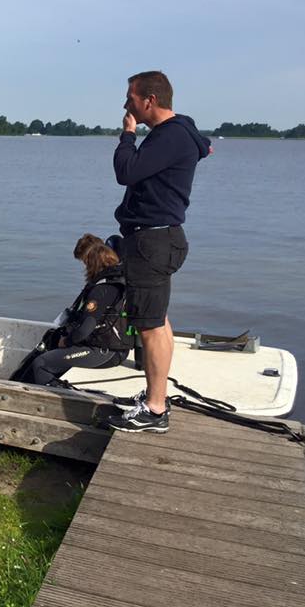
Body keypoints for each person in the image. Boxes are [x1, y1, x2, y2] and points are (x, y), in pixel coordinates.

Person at [107, 71, 211, 433]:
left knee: (150, 327)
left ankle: (154, 409)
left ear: (149, 100)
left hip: (153, 241)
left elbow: (126, 171)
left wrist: (127, 134)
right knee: (157, 321)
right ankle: (156, 397)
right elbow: (202, 141)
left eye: (130, 98)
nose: (126, 105)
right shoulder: (179, 131)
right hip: (157, 238)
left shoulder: (169, 137)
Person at [11, 235, 132, 386]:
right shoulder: (116, 282)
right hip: (105, 346)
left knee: (41, 363)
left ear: (91, 263)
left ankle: (57, 396)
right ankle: (17, 384)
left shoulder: (102, 290)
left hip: (105, 351)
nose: (85, 268)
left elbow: (84, 329)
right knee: (50, 341)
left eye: (85, 263)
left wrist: (67, 341)